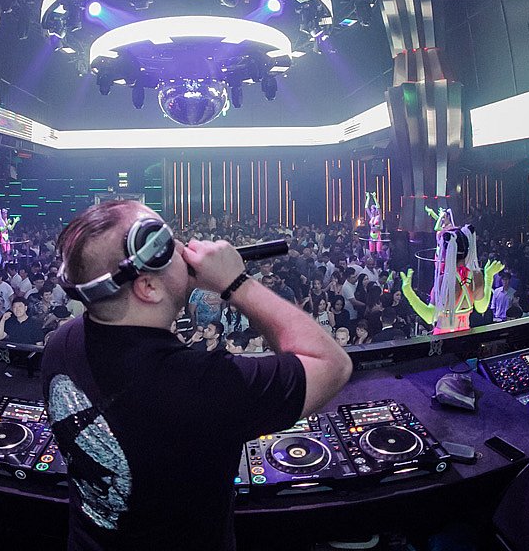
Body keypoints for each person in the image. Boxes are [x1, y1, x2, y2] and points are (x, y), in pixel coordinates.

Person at [42, 200, 351, 551]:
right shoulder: (202, 384)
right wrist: (236, 282)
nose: (181, 246)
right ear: (148, 287)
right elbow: (333, 365)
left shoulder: (61, 343)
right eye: (164, 243)